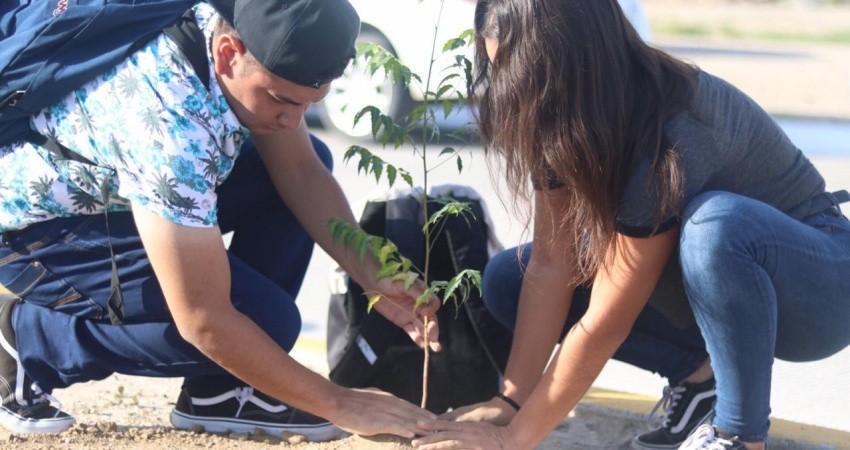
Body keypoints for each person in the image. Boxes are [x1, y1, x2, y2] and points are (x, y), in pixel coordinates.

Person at [412, 1, 850, 449]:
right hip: (720, 278)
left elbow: (605, 321)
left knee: (715, 226)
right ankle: (701, 381)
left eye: (521, 75)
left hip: (819, 289)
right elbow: (551, 265)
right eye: (497, 68)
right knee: (510, 277)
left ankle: (737, 435)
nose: (509, 90)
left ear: (573, 60)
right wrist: (512, 403)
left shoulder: (667, 129)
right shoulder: (563, 116)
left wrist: (514, 440)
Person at [0, 0, 442, 440]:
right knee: (267, 325)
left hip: (115, 192)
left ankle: (223, 392)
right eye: (282, 100)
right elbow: (204, 319)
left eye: (309, 105)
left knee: (310, 161)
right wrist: (340, 402)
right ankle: (28, 341)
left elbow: (301, 173)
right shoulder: (170, 128)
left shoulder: (231, 27)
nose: (293, 121)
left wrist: (373, 273)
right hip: (36, 231)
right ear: (229, 53)